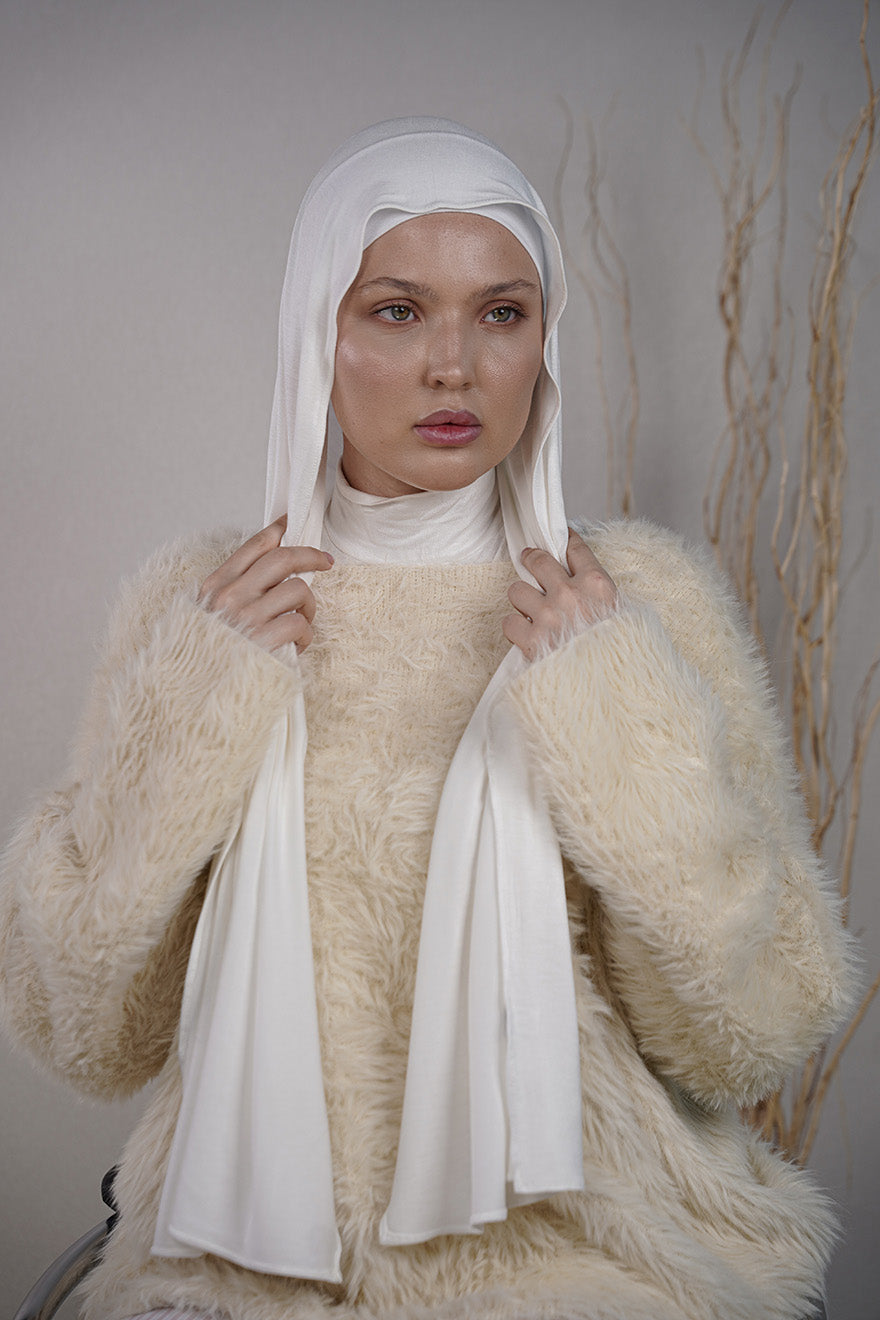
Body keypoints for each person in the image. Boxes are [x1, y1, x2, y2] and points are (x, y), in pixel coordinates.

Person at [0, 117, 853, 1320]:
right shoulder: (205, 604)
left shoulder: (632, 601)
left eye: (501, 313)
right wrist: (196, 707)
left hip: (588, 1251)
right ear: (318, 330)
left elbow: (750, 1032)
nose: (454, 365)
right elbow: (86, 1030)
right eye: (397, 310)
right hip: (240, 1265)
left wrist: (611, 709)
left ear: (541, 344)